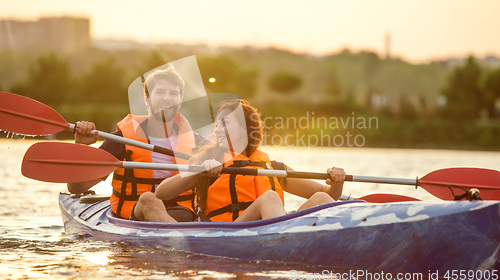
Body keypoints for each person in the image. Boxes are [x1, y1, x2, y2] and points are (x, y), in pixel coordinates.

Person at [155, 100, 346, 222]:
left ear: (246, 129)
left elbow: (327, 194)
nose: (217, 131)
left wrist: (337, 182)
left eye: (225, 124)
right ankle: (282, 241)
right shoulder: (209, 161)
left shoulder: (272, 167)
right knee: (270, 198)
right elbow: (161, 192)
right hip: (231, 233)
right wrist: (198, 171)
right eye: (216, 125)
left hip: (271, 229)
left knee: (321, 199)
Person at [67, 66, 209, 222]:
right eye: (160, 92)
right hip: (135, 215)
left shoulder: (199, 144)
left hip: (183, 213)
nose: (167, 98)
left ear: (180, 101)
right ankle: (181, 241)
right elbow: (77, 188)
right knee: (148, 199)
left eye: (173, 93)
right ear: (147, 99)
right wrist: (80, 146)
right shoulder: (122, 141)